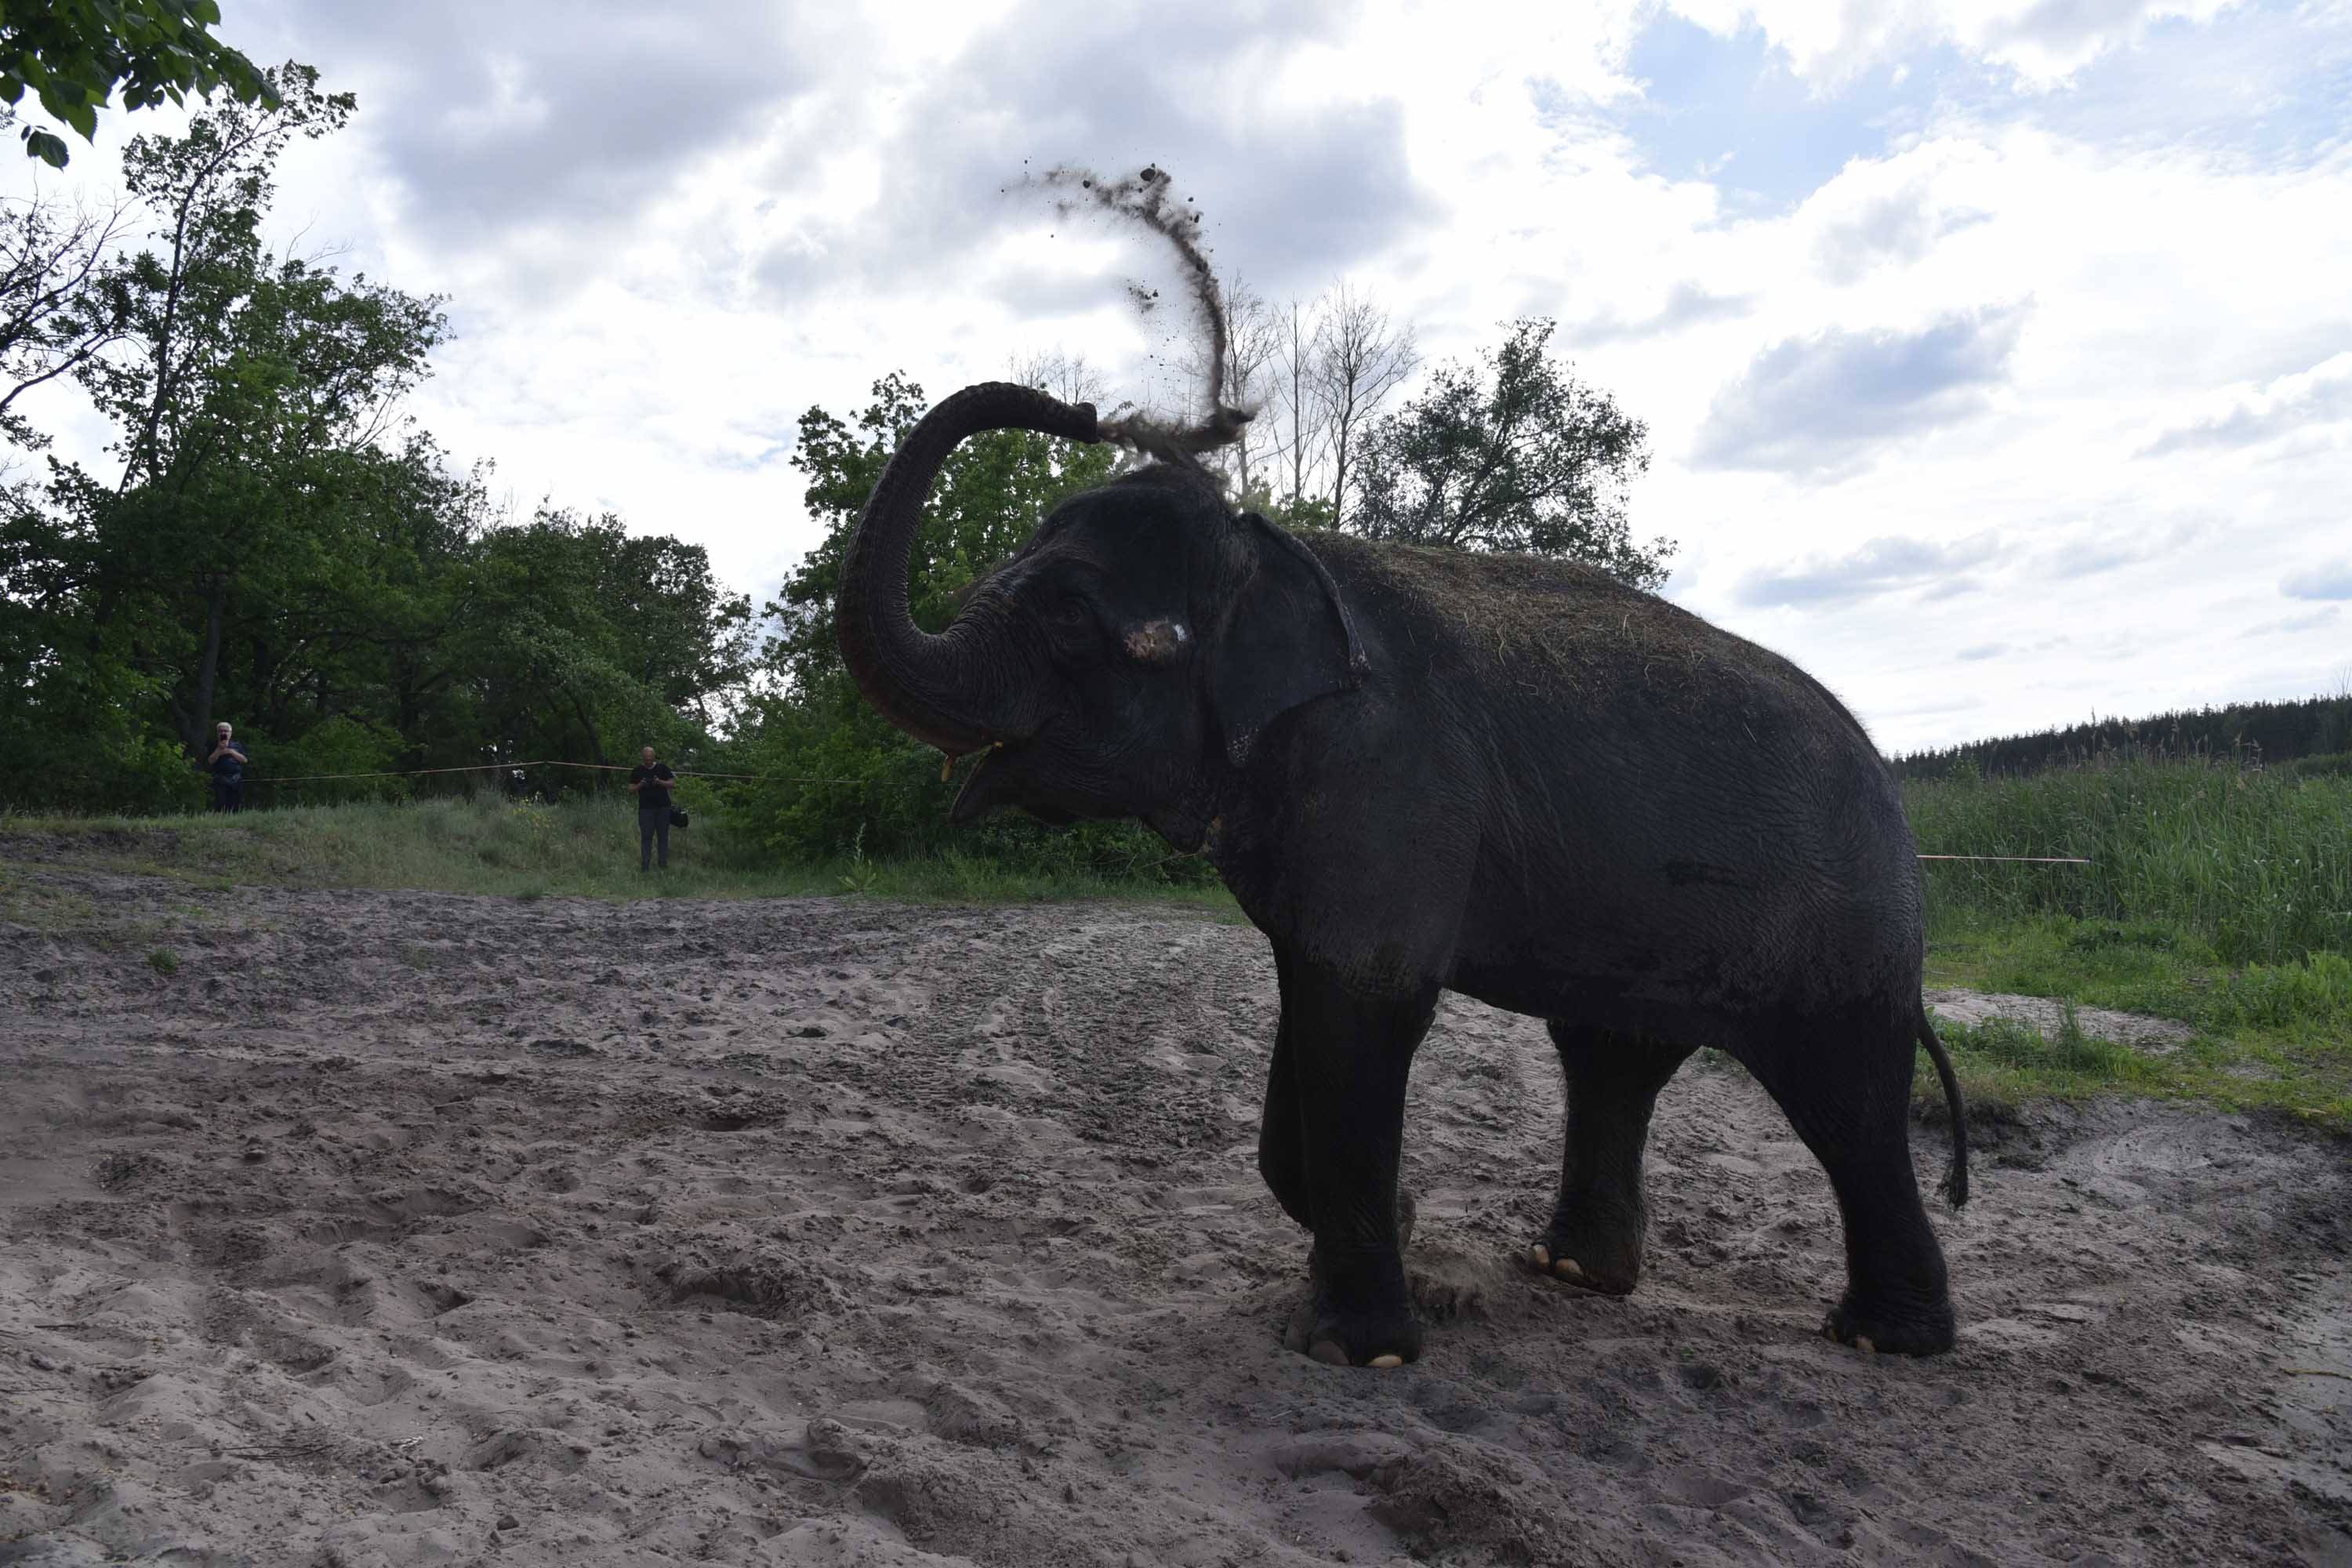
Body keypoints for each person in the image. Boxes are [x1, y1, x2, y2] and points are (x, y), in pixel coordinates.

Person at [628, 746, 679, 871]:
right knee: (646, 837)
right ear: (643, 758)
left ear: (654, 757)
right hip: (645, 809)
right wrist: (640, 785)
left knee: (663, 837)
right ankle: (645, 866)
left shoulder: (662, 767)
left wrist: (660, 782)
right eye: (646, 759)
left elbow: (673, 784)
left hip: (663, 808)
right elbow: (630, 789)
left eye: (650, 759)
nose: (648, 761)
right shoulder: (637, 771)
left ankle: (663, 865)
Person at [207, 722, 249, 813]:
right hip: (220, 779)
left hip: (235, 779)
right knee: (221, 805)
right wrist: (219, 750)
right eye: (220, 731)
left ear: (230, 733)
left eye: (225, 731)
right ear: (217, 733)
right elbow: (210, 761)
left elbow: (245, 760)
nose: (223, 733)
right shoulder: (213, 745)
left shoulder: (237, 745)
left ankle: (235, 823)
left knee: (236, 805)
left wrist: (231, 752)